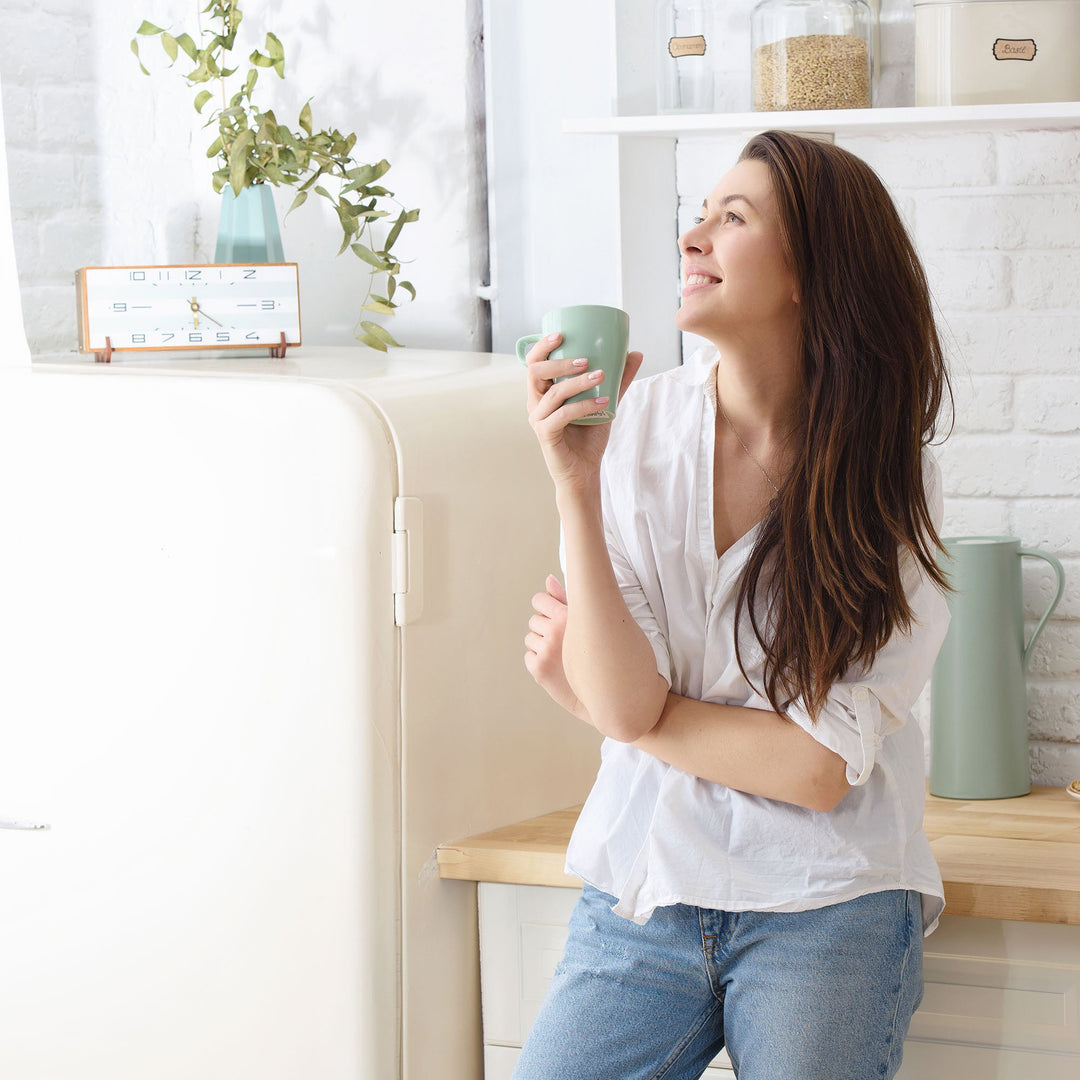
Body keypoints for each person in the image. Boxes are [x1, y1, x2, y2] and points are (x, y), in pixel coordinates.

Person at [517, 130, 953, 1080]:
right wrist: (574, 486)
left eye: (734, 217)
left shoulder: (886, 486)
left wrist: (608, 707)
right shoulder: (633, 436)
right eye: (699, 212)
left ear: (809, 274)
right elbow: (633, 707)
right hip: (647, 886)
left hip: (827, 901)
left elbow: (814, 772)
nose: (693, 235)